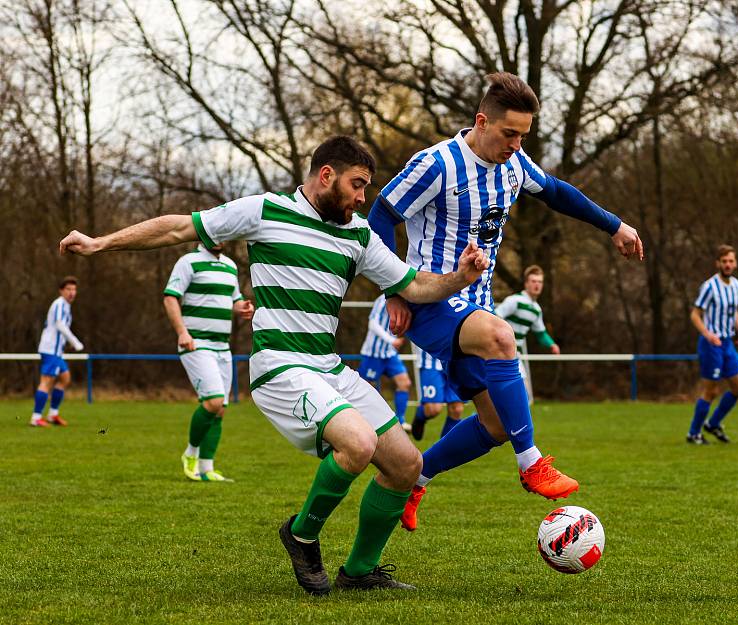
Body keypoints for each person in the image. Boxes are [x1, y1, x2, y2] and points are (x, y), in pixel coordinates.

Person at [60, 136, 488, 594]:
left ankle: (360, 571)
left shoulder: (358, 233)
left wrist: (457, 279)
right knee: (358, 444)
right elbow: (177, 228)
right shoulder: (265, 210)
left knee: (405, 464)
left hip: (329, 368)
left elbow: (413, 285)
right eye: (358, 185)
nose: (364, 198)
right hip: (280, 367)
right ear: (327, 175)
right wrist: (100, 242)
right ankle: (301, 535)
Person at [367, 72, 644, 531]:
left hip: (474, 304)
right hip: (429, 299)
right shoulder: (436, 164)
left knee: (495, 425)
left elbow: (555, 192)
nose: (516, 144)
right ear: (481, 121)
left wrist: (614, 225)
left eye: (523, 135)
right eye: (509, 133)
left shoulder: (514, 163)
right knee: (501, 336)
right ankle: (531, 463)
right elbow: (379, 214)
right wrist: (394, 290)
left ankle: (417, 478)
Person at [164, 243, 255, 481]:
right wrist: (182, 332)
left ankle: (206, 468)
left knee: (221, 410)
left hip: (222, 346)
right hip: (195, 343)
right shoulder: (188, 261)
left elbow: (234, 300)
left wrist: (242, 308)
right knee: (213, 402)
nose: (219, 237)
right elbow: (170, 297)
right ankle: (190, 453)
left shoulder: (230, 265)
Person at [687, 244, 738, 444]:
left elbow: (734, 310)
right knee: (711, 391)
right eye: (724, 261)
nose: (728, 265)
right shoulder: (710, 287)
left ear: (735, 263)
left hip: (728, 343)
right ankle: (694, 433)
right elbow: (695, 315)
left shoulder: (737, 285)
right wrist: (708, 334)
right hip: (711, 344)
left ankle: (713, 424)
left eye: (731, 261)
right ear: (718, 264)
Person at [495, 264, 560, 402]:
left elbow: (541, 333)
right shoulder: (515, 301)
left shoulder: (536, 309)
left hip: (515, 354)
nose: (537, 285)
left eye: (540, 282)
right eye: (533, 281)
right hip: (501, 352)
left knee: (520, 397)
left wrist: (552, 344)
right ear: (526, 283)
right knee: (520, 397)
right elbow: (494, 318)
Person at [30, 276, 84, 427]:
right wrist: (75, 342)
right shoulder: (59, 304)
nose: (72, 292)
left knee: (65, 378)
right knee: (46, 382)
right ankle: (36, 418)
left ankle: (53, 415)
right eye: (68, 289)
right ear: (61, 291)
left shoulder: (66, 306)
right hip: (50, 349)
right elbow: (60, 325)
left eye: (74, 289)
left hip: (56, 350)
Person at [357, 294, 413, 432]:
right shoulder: (383, 299)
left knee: (404, 383)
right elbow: (372, 324)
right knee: (365, 389)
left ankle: (400, 421)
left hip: (389, 354)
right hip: (373, 354)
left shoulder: (405, 300)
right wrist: (391, 340)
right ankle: (363, 423)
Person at [409, 346, 464, 441]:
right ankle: (420, 416)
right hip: (430, 363)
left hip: (454, 362)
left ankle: (446, 448)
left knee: (457, 409)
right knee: (433, 409)